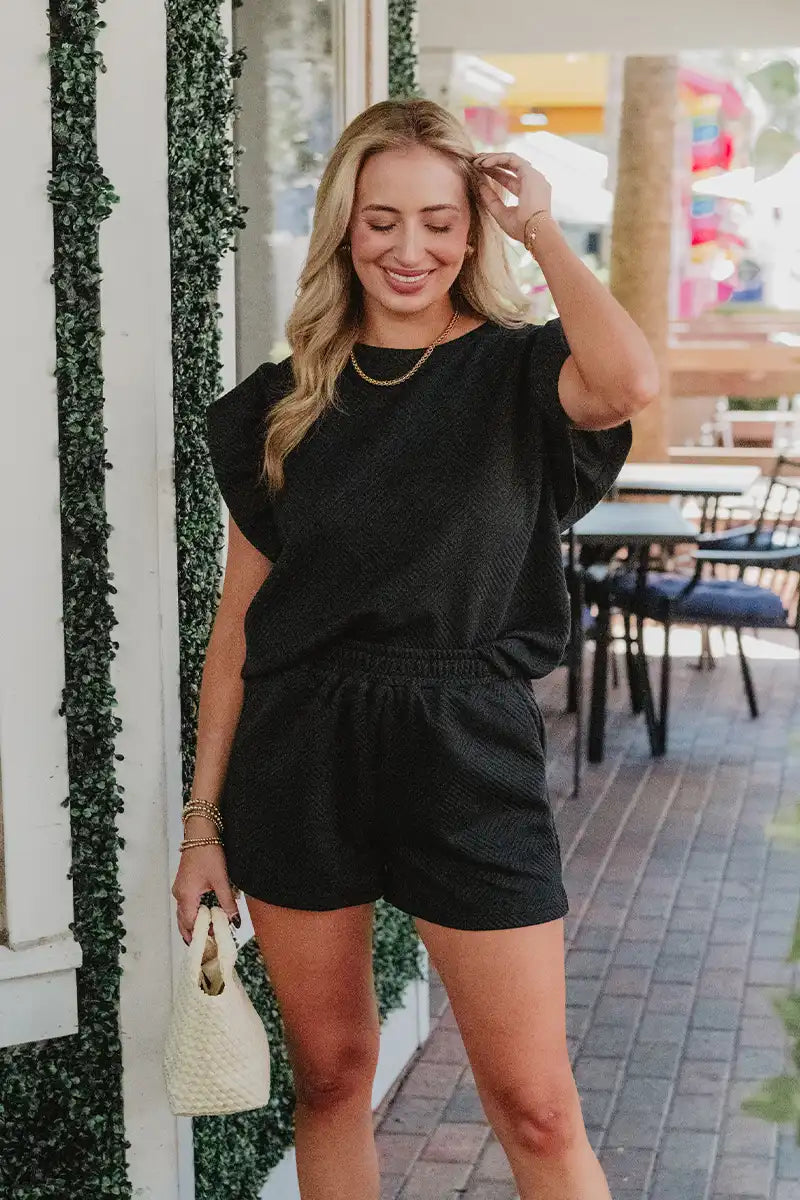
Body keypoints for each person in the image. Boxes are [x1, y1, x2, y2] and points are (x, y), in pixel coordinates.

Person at [171, 98, 658, 1200]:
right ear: (344, 229)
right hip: (301, 755)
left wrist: (539, 229)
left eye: (438, 221)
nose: (409, 248)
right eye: (380, 219)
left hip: (465, 744)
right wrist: (203, 825)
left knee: (535, 1106)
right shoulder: (279, 406)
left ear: (472, 232)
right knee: (333, 1079)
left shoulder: (523, 374)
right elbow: (240, 626)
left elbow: (628, 384)